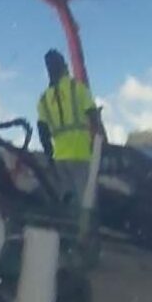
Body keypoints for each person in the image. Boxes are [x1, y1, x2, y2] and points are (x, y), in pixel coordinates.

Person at [36, 49, 103, 230]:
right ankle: (88, 237)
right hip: (81, 155)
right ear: (64, 66)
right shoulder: (78, 89)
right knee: (87, 203)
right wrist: (99, 145)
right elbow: (94, 117)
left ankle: (69, 235)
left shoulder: (44, 99)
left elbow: (42, 131)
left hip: (60, 159)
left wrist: (50, 156)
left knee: (67, 203)